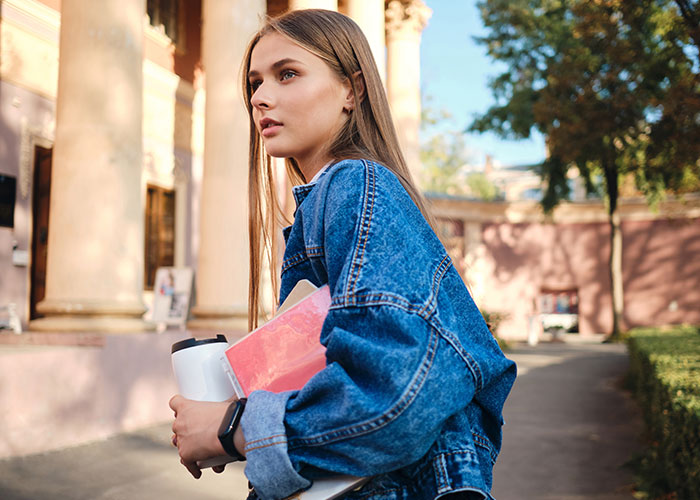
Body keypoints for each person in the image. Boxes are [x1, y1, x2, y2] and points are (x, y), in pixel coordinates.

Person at [170, 9, 516, 500]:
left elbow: (393, 396)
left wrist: (230, 428)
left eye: (287, 74)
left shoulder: (356, 186)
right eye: (254, 82)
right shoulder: (330, 202)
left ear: (352, 90)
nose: (260, 97)